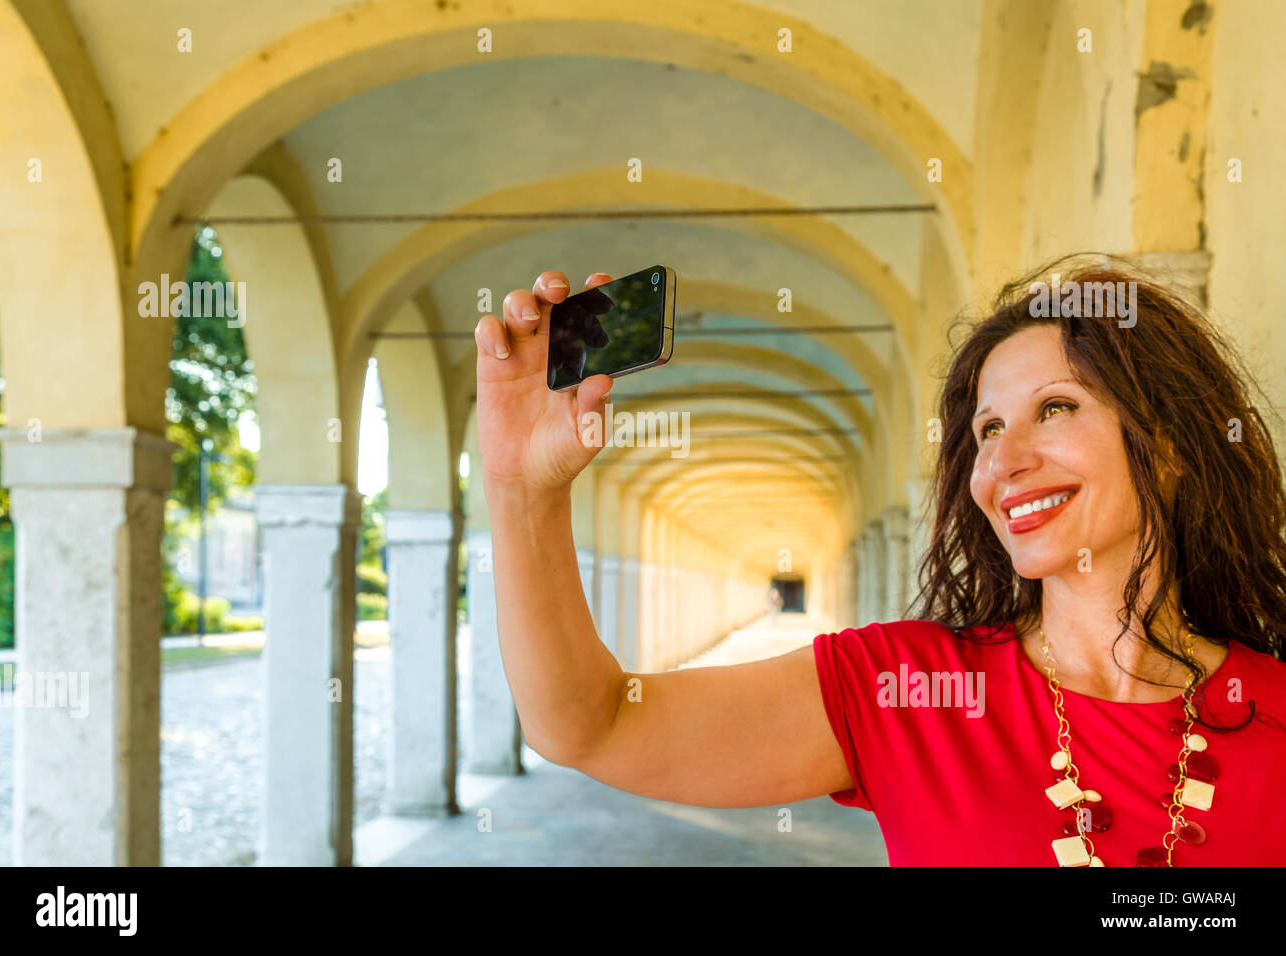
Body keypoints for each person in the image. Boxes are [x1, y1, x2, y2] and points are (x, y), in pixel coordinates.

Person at [471, 258, 1286, 866]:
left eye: (1057, 408)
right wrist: (519, 493)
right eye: (987, 431)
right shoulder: (904, 688)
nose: (1002, 466)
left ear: (1172, 446)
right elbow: (590, 723)